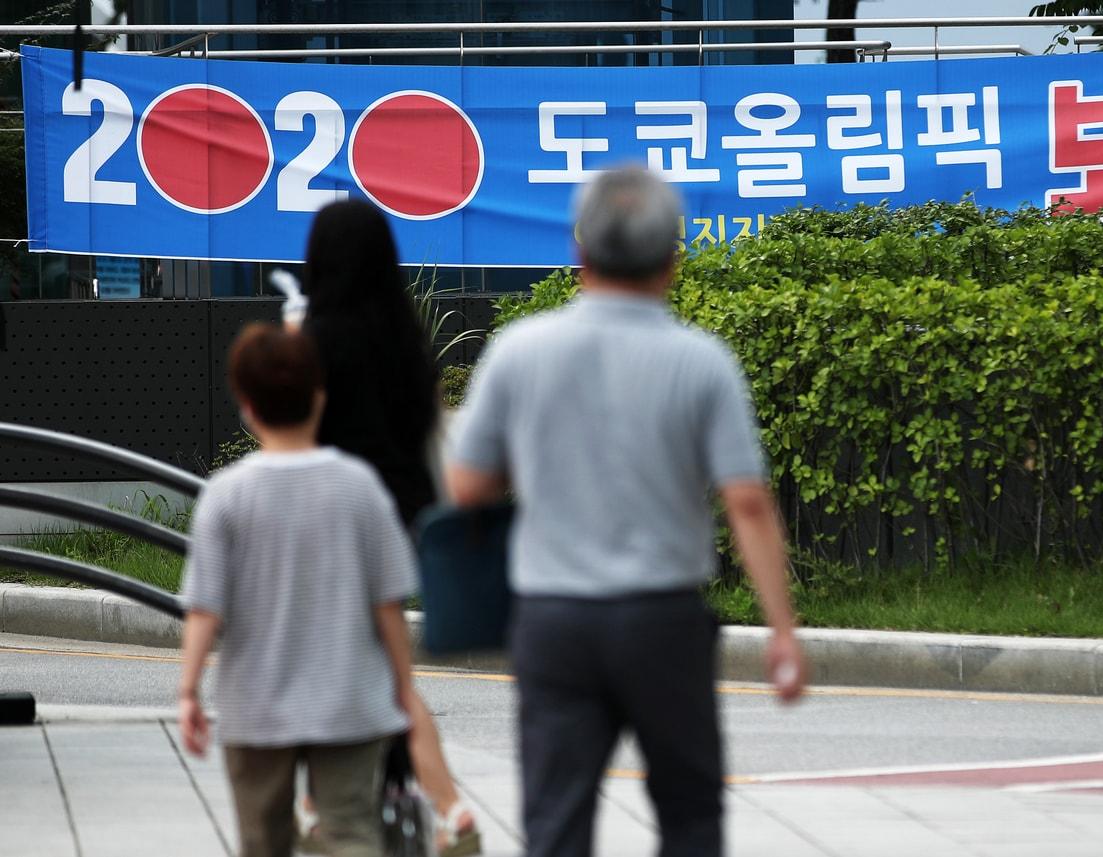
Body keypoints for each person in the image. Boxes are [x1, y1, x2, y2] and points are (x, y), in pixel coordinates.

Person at [447, 166, 806, 857]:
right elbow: (748, 501)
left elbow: (466, 486)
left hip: (553, 619)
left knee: (556, 818)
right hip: (662, 621)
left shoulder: (519, 351)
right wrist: (782, 629)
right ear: (673, 261)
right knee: (691, 813)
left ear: (581, 256)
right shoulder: (701, 361)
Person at [177, 323, 417, 857]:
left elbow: (205, 607)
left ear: (246, 405)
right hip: (350, 699)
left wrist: (188, 689)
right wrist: (403, 684)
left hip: (255, 703)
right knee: (353, 831)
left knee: (263, 840)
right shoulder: (361, 487)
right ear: (319, 396)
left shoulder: (226, 495)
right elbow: (389, 605)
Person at [296, 199, 480, 855]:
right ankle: (433, 810)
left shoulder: (314, 343)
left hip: (329, 526)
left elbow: (292, 438)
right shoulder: (407, 340)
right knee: (384, 668)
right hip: (398, 527)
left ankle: (340, 810)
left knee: (336, 672)